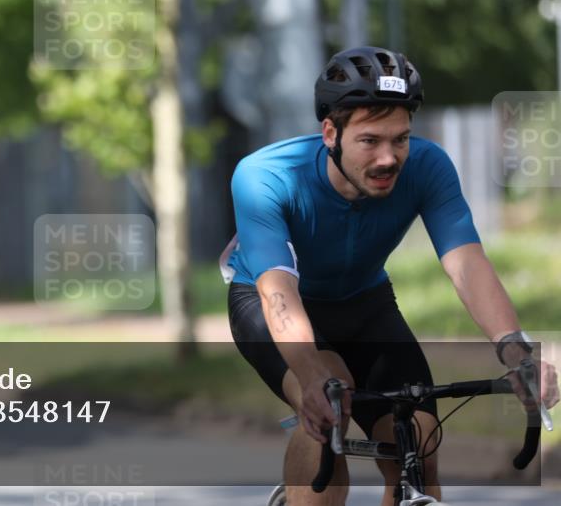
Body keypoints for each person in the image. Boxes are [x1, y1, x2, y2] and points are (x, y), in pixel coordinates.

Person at [222, 46, 559, 505]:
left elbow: (466, 263)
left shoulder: (428, 166)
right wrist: (311, 372)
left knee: (419, 437)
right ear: (330, 133)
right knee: (329, 398)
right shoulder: (266, 177)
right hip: (271, 304)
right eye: (370, 140)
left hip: (364, 301)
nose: (388, 158)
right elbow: (277, 291)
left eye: (400, 139)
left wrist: (516, 350)